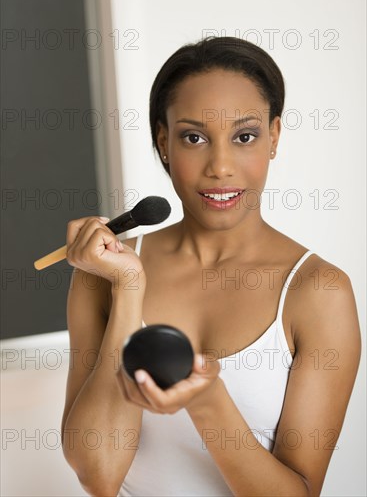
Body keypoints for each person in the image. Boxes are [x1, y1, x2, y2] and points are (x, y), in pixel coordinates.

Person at [61, 36, 361, 496]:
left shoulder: (318, 291)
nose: (220, 167)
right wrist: (128, 289)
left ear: (274, 137)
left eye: (245, 136)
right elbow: (98, 474)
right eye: (193, 137)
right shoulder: (104, 275)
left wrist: (206, 401)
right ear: (164, 142)